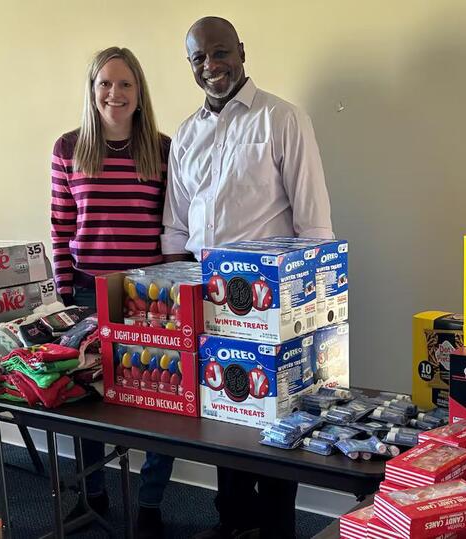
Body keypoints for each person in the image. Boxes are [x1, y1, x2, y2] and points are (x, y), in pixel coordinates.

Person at [162, 17, 334, 539]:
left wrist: (311, 312)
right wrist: (177, 300)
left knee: (278, 418)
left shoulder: (282, 119)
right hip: (209, 297)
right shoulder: (186, 134)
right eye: (199, 58)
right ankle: (232, 523)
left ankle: (278, 528)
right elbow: (177, 227)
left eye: (220, 52)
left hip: (273, 300)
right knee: (223, 410)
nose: (211, 65)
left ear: (241, 51)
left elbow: (314, 224)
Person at [50, 46, 174, 539]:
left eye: (125, 84)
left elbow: (174, 228)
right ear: (92, 90)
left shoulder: (162, 149)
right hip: (88, 291)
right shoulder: (68, 148)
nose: (114, 94)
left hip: (150, 297)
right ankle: (93, 493)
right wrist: (63, 293)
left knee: (161, 401)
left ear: (140, 92)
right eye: (105, 83)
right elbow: (61, 226)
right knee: (88, 400)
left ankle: (150, 504)